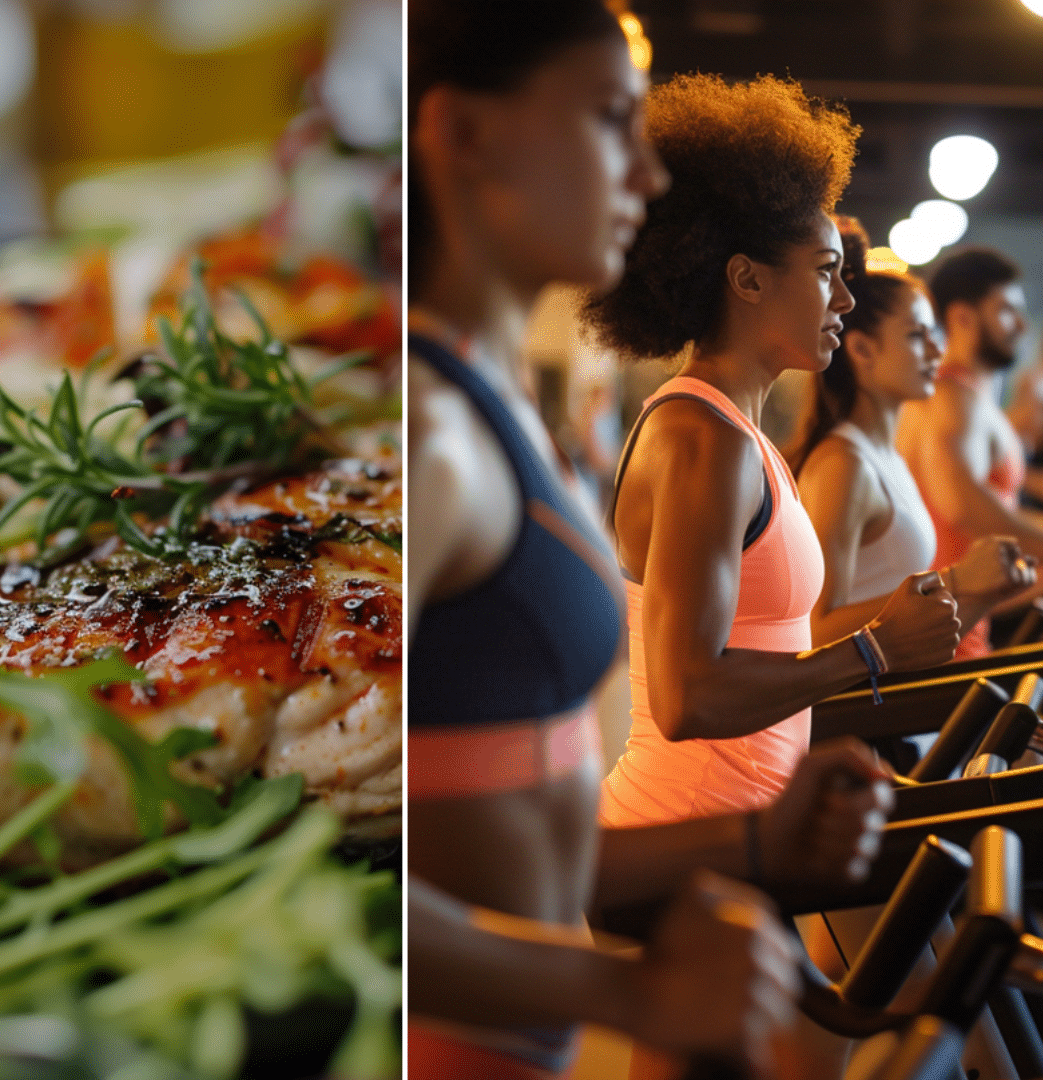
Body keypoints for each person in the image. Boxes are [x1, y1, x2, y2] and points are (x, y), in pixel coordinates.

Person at [408, 6, 892, 1076]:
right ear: (470, 135)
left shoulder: (487, 407)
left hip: (572, 970)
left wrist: (755, 846)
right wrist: (618, 985)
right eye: (606, 121)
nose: (644, 171)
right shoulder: (432, 432)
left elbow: (508, 825)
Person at [584, 74, 961, 830]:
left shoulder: (740, 434)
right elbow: (691, 696)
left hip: (752, 822)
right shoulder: (701, 439)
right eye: (827, 274)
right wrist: (875, 650)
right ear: (747, 279)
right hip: (687, 830)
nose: (845, 302)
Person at [791, 222, 1033, 652]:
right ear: (863, 350)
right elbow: (814, 630)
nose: (937, 352)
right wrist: (958, 583)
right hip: (890, 709)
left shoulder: (885, 453)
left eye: (932, 335)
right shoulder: (843, 465)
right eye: (916, 336)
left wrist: (979, 592)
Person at [898, 246, 1041, 657]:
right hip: (951, 642)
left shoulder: (965, 397)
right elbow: (961, 506)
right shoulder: (954, 399)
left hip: (967, 625)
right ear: (963, 317)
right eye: (1006, 311)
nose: (1021, 326)